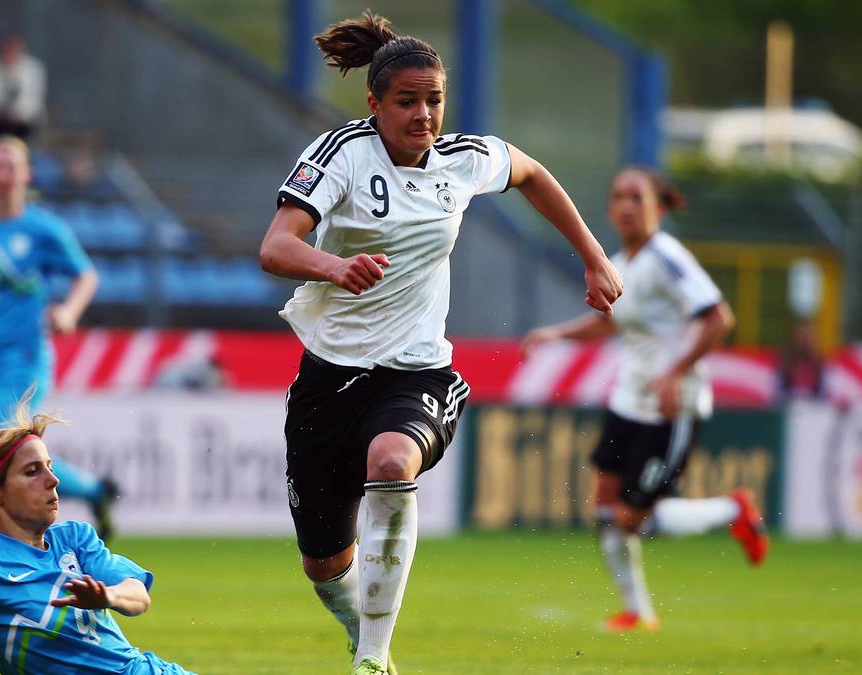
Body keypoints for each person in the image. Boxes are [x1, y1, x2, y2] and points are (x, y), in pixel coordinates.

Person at [258, 12, 623, 674]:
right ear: (374, 103)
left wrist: (593, 257)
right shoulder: (340, 153)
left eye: (434, 100)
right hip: (328, 378)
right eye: (407, 101)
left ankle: (369, 660)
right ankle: (366, 638)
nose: (424, 115)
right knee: (323, 562)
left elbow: (533, 173)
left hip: (416, 372)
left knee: (394, 462)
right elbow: (275, 246)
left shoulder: (463, 160)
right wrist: (336, 266)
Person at [522, 167, 769, 632]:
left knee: (634, 518)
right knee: (605, 508)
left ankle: (735, 509)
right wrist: (556, 333)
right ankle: (638, 612)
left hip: (669, 405)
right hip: (628, 400)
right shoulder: (623, 262)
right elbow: (610, 321)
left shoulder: (667, 257)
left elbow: (719, 318)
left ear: (658, 206)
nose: (626, 206)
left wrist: (675, 372)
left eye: (637, 197)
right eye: (619, 197)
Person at [0, 403, 194, 675]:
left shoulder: (76, 538)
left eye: (49, 467)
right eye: (33, 471)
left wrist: (107, 597)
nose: (54, 479)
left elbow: (139, 596)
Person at [0, 135, 114, 547]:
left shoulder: (43, 228)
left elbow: (86, 274)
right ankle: (93, 489)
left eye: (12, 165)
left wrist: (69, 312)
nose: (4, 174)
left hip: (24, 357)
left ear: (27, 174)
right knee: (8, 450)